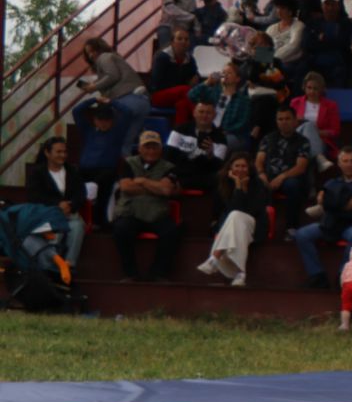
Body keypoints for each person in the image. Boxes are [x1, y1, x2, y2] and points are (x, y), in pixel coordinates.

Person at [294, 146, 352, 288]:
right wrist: (341, 203)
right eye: (345, 161)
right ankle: (317, 275)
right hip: (331, 223)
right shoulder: (331, 183)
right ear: (339, 163)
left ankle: (343, 275)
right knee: (301, 234)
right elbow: (321, 200)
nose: (349, 164)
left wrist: (333, 203)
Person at [109, 132, 180, 282]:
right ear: (140, 148)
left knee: (172, 231)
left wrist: (142, 181)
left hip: (157, 213)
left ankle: (158, 273)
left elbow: (166, 190)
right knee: (121, 229)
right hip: (131, 212)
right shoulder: (128, 162)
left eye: (155, 147)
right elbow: (126, 187)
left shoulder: (169, 167)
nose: (151, 151)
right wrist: (156, 187)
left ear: (161, 149)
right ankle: (131, 274)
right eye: (147, 147)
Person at [196, 154, 270, 287]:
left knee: (236, 216)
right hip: (236, 227)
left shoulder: (257, 183)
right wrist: (237, 186)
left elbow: (253, 211)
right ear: (230, 168)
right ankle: (241, 274)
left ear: (249, 168)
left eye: (244, 166)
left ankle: (215, 257)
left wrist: (241, 188)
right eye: (237, 166)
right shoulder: (225, 184)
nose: (240, 169)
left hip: (255, 225)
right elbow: (232, 210)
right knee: (235, 217)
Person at [77, 37, 150, 155]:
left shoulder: (104, 57)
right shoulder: (113, 59)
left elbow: (113, 76)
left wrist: (94, 87)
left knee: (119, 143)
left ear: (99, 49)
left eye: (93, 51)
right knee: (126, 143)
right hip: (141, 102)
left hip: (127, 101)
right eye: (89, 53)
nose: (91, 55)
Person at [27, 139, 86, 267]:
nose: (63, 155)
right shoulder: (37, 172)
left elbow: (81, 194)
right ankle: (50, 264)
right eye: (58, 152)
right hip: (47, 215)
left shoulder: (72, 171)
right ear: (47, 153)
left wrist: (70, 206)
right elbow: (34, 196)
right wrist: (57, 204)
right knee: (56, 230)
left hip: (69, 214)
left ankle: (69, 264)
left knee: (77, 227)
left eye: (65, 152)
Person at [255, 104, 314, 232]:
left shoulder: (303, 141)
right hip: (268, 174)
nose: (283, 122)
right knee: (257, 183)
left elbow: (301, 167)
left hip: (290, 177)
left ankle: (291, 227)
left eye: (287, 119)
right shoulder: (268, 138)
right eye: (280, 119)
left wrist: (282, 177)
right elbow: (259, 160)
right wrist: (261, 173)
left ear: (295, 121)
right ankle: (259, 226)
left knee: (293, 185)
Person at [190, 60, 255, 157]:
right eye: (223, 73)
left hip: (232, 135)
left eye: (229, 73)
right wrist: (207, 82)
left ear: (237, 79)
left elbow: (242, 123)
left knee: (216, 145)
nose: (225, 75)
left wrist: (221, 132)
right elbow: (191, 96)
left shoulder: (244, 100)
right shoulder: (213, 92)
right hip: (209, 131)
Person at [163, 100, 229, 191]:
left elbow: (216, 167)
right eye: (201, 112)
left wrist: (210, 155)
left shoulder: (220, 138)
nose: (204, 116)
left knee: (217, 178)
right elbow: (169, 155)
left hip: (201, 175)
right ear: (194, 113)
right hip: (178, 170)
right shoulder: (179, 130)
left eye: (208, 113)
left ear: (214, 116)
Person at [147, 25, 199, 124]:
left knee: (182, 105)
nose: (183, 42)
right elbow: (156, 83)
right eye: (179, 39)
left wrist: (195, 79)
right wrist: (181, 86)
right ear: (172, 42)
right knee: (185, 90)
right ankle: (200, 122)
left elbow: (195, 76)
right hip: (159, 95)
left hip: (180, 96)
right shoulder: (162, 58)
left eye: (186, 39)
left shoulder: (190, 59)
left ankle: (180, 132)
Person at [304, 0, 352, 85]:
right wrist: (331, 41)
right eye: (327, 4)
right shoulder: (312, 23)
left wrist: (322, 40)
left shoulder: (347, 24)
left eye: (333, 4)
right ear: (321, 5)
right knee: (302, 69)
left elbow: (344, 44)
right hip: (315, 61)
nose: (330, 8)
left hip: (340, 61)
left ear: (338, 6)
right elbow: (307, 44)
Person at [289, 71, 341, 165]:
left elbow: (335, 131)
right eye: (309, 88)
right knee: (308, 125)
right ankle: (319, 158)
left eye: (315, 89)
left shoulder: (331, 106)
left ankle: (313, 158)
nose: (311, 91)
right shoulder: (295, 102)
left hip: (320, 140)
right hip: (297, 137)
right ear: (304, 87)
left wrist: (315, 132)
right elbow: (289, 125)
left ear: (321, 89)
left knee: (309, 126)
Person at [266, 0, 308, 78]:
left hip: (290, 63)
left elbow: (293, 46)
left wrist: (273, 59)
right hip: (270, 61)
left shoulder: (299, 26)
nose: (278, 11)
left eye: (282, 8)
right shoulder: (271, 28)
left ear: (290, 10)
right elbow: (263, 45)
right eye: (277, 8)